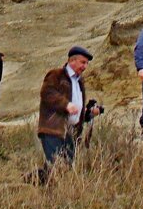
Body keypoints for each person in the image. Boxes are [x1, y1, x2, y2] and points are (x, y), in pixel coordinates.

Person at [36, 45, 102, 182]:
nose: (85, 67)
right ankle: (46, 192)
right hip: (52, 129)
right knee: (57, 164)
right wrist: (65, 104)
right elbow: (47, 93)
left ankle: (31, 182)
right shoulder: (56, 75)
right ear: (72, 61)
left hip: (70, 132)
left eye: (87, 64)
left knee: (65, 165)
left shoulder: (80, 82)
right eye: (83, 62)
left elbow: (76, 109)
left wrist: (90, 113)